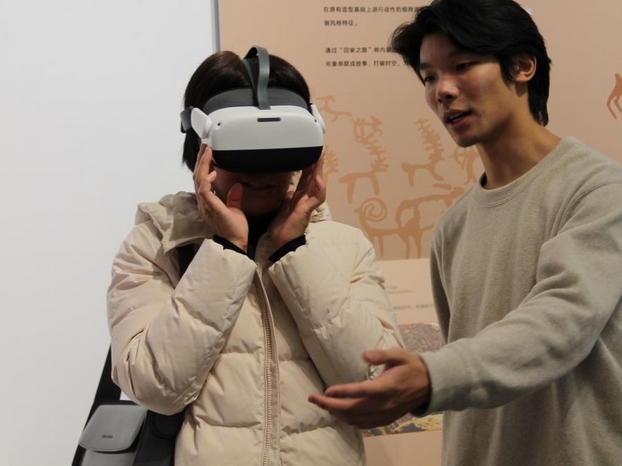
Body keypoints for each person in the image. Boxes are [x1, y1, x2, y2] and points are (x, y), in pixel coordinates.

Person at [309, 0, 622, 465]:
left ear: (523, 66)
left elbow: (562, 322)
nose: (442, 90)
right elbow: (475, 362)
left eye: (461, 66)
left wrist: (433, 377)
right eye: (429, 76)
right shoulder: (453, 226)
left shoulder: (597, 188)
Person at [107, 49, 402, 466]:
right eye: (240, 141)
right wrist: (226, 251)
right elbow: (154, 387)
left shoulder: (344, 246)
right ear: (201, 145)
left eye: (279, 141)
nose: (261, 166)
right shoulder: (157, 244)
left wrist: (293, 251)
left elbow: (378, 383)